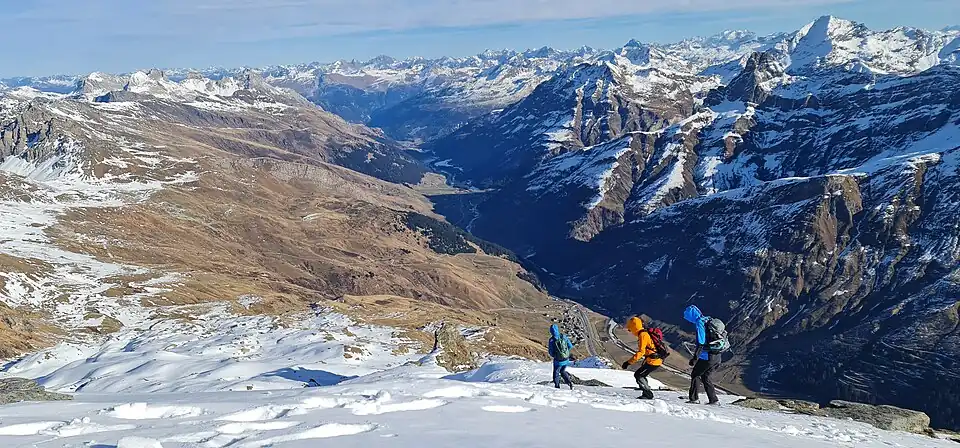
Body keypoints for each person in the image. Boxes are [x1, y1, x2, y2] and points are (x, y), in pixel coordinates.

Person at [620, 317, 664, 399]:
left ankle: (647, 394)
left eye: (630, 329)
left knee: (639, 375)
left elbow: (641, 352)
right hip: (654, 360)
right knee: (642, 375)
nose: (630, 331)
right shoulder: (644, 333)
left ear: (634, 327)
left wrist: (628, 362)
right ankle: (645, 389)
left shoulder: (642, 335)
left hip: (653, 361)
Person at [683, 305, 719, 405]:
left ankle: (694, 399)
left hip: (707, 357)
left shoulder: (700, 323)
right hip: (717, 355)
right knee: (705, 377)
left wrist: (695, 358)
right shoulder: (708, 320)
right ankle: (713, 400)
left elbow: (701, 343)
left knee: (695, 375)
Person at [547, 324, 575, 390]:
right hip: (566, 359)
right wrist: (564, 353)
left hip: (558, 361)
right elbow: (570, 346)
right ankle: (570, 383)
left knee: (556, 373)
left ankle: (557, 387)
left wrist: (556, 355)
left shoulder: (551, 340)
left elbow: (551, 352)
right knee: (562, 371)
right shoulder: (563, 336)